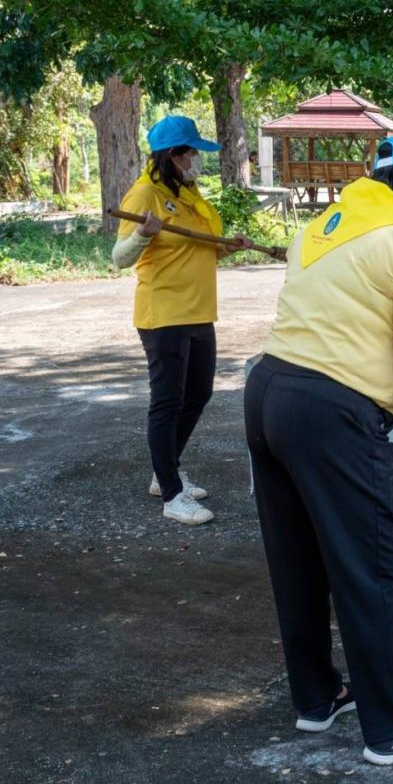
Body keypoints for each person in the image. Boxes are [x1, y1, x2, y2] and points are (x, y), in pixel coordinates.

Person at [245, 136, 393, 766]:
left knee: (297, 561)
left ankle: (317, 698)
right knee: (364, 568)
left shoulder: (323, 226)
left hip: (268, 392)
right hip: (333, 414)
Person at [112, 115, 253, 525]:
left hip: (198, 311)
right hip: (164, 313)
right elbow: (119, 258)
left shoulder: (189, 193)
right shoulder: (144, 196)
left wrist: (230, 247)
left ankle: (165, 471)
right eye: (191, 152)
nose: (196, 159)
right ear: (172, 155)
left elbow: (196, 247)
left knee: (198, 395)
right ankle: (172, 495)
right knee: (167, 401)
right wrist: (142, 234)